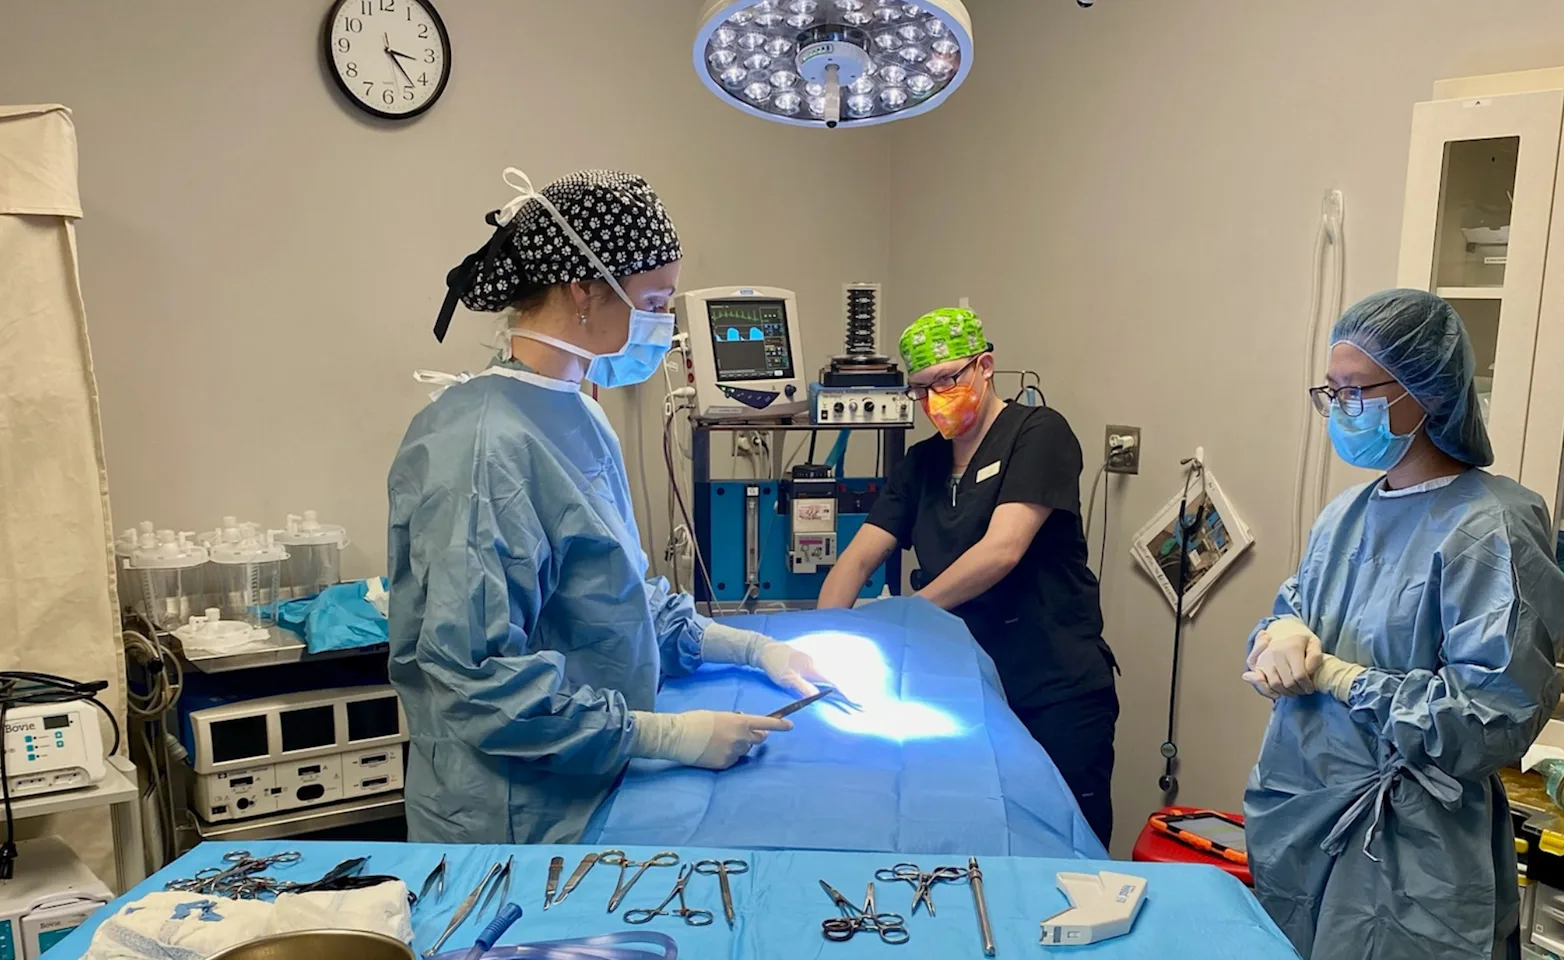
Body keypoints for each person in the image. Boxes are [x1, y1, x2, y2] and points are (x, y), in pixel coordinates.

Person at [387, 168, 828, 844]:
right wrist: (668, 736)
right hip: (511, 822)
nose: (664, 325)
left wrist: (749, 649)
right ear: (585, 291)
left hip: (593, 787)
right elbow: (480, 681)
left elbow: (614, 598)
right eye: (655, 300)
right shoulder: (482, 447)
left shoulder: (580, 418)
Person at [1242, 289, 1564, 960]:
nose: (1341, 410)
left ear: (1426, 390)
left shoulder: (1493, 526)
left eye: (1357, 391)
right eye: (1331, 393)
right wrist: (1278, 637)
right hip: (1304, 818)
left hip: (1414, 855)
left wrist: (1341, 678)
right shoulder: (1345, 516)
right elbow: (1295, 611)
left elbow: (1492, 719)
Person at [818, 307, 1119, 847]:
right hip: (965, 693)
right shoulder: (922, 465)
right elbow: (856, 561)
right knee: (978, 844)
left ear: (985, 367)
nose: (935, 399)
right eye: (921, 389)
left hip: (1051, 690)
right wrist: (820, 649)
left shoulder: (1039, 433)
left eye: (947, 380)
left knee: (1067, 852)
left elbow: (1001, 550)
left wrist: (910, 615)